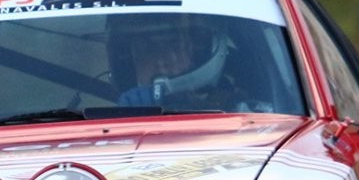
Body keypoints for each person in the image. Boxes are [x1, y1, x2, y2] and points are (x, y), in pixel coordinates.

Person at [106, 13, 275, 112]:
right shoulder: (99, 124)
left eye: (172, 45)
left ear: (197, 52)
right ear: (129, 62)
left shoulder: (247, 114)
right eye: (147, 49)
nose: (161, 61)